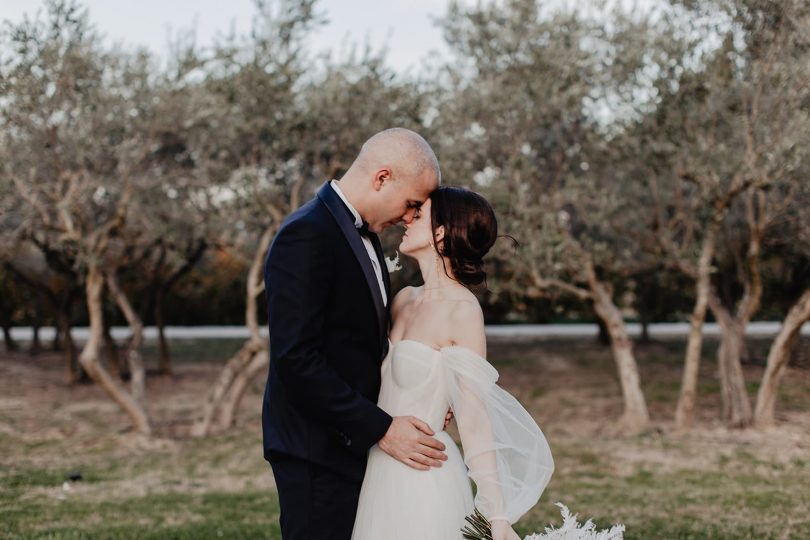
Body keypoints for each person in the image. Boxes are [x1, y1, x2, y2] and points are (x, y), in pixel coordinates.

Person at [262, 128, 451, 540]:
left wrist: (427, 395)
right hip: (316, 450)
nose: (410, 217)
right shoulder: (307, 234)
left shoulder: (358, 233)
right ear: (382, 178)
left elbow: (361, 345)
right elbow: (296, 359)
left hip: (350, 444)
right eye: (412, 204)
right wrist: (382, 428)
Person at [351, 187, 554, 540]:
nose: (407, 218)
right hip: (375, 466)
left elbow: (474, 417)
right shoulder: (403, 299)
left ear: (441, 232)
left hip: (422, 478)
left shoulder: (463, 311)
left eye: (419, 214)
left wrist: (497, 514)